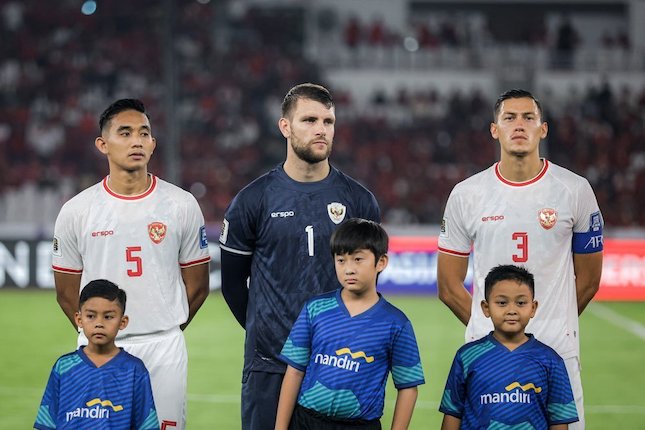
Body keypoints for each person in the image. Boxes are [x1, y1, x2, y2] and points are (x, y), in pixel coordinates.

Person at [437, 89, 603, 429]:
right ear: (494, 130)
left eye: (529, 117)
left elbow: (588, 280)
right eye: (509, 118)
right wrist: (491, 330)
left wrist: (547, 327)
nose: (519, 125)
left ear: (543, 129)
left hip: (557, 350)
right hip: (486, 356)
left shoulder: (575, 190)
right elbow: (448, 286)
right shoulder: (466, 194)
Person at [219, 83, 381, 429]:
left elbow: (366, 288)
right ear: (285, 127)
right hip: (270, 366)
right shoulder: (253, 201)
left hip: (339, 364)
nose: (321, 129)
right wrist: (265, 330)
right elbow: (233, 285)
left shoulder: (360, 201)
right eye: (309, 120)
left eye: (328, 121)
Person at [51, 98, 210, 430]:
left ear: (153, 144)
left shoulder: (181, 204)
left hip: (163, 347)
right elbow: (67, 294)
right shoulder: (77, 211)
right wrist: (97, 334)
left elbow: (198, 286)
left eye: (144, 133)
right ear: (103, 144)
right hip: (99, 347)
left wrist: (166, 330)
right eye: (124, 133)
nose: (136, 141)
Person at [276, 218, 425, 430]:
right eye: (341, 260)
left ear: (381, 262)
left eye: (358, 259)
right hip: (306, 422)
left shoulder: (396, 323)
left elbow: (408, 388)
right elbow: (295, 371)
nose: (349, 269)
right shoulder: (315, 309)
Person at [439, 265, 579, 429]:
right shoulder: (467, 356)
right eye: (502, 303)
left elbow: (560, 420)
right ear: (486, 308)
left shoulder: (551, 360)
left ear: (533, 308)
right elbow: (452, 413)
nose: (511, 310)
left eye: (520, 303)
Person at [35, 279, 160, 430]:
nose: (99, 323)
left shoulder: (134, 370)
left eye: (108, 317)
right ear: (79, 319)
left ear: (123, 322)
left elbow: (146, 424)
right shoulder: (63, 367)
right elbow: (47, 422)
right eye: (91, 316)